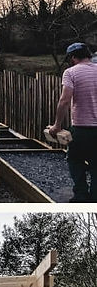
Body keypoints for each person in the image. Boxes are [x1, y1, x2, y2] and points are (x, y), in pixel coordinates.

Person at [50, 42, 97, 202]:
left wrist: (57, 125)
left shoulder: (70, 73)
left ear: (72, 57)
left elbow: (64, 101)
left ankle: (81, 195)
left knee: (74, 159)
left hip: (82, 128)